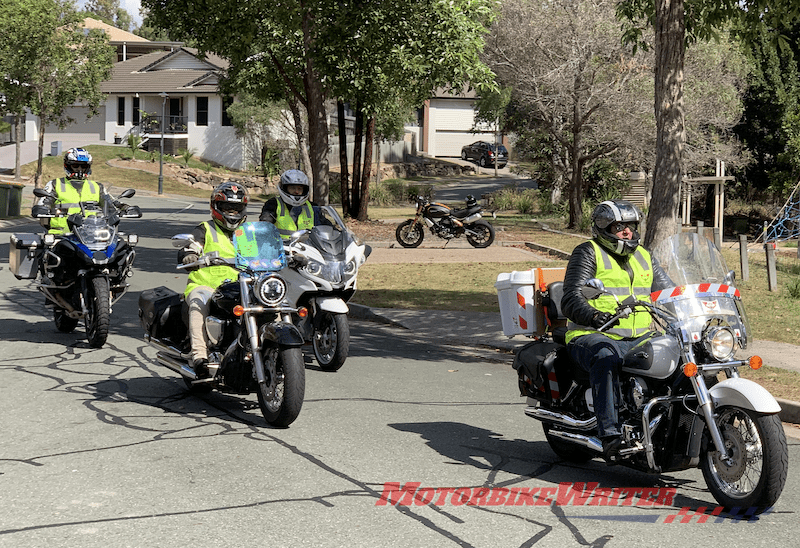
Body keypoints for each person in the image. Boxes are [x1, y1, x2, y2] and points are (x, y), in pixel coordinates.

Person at [560, 200, 671, 463]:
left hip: (640, 336)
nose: (627, 232)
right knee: (606, 357)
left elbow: (668, 291)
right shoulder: (588, 252)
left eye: (630, 226)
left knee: (679, 355)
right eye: (619, 227)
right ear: (604, 228)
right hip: (593, 334)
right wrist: (595, 315)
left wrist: (693, 306)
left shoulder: (644, 255)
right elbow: (571, 297)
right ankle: (610, 435)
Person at [178, 181, 248, 381]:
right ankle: (199, 356)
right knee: (199, 304)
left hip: (241, 286)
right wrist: (190, 255)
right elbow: (192, 245)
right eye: (227, 207)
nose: (232, 212)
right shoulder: (205, 229)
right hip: (207, 285)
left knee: (271, 303)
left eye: (237, 208)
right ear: (216, 207)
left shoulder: (248, 232)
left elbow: (266, 250)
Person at [32, 148, 112, 234]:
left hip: (90, 234)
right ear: (68, 166)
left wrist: (124, 207)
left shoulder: (97, 187)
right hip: (61, 234)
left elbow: (110, 203)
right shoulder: (55, 184)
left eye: (84, 166)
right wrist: (43, 208)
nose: (80, 169)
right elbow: (44, 201)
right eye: (76, 166)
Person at [259, 169, 326, 239]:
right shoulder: (273, 204)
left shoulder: (312, 207)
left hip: (308, 248)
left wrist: (336, 233)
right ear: (284, 188)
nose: (296, 191)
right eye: (292, 188)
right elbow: (265, 224)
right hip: (281, 247)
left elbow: (325, 225)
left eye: (300, 188)